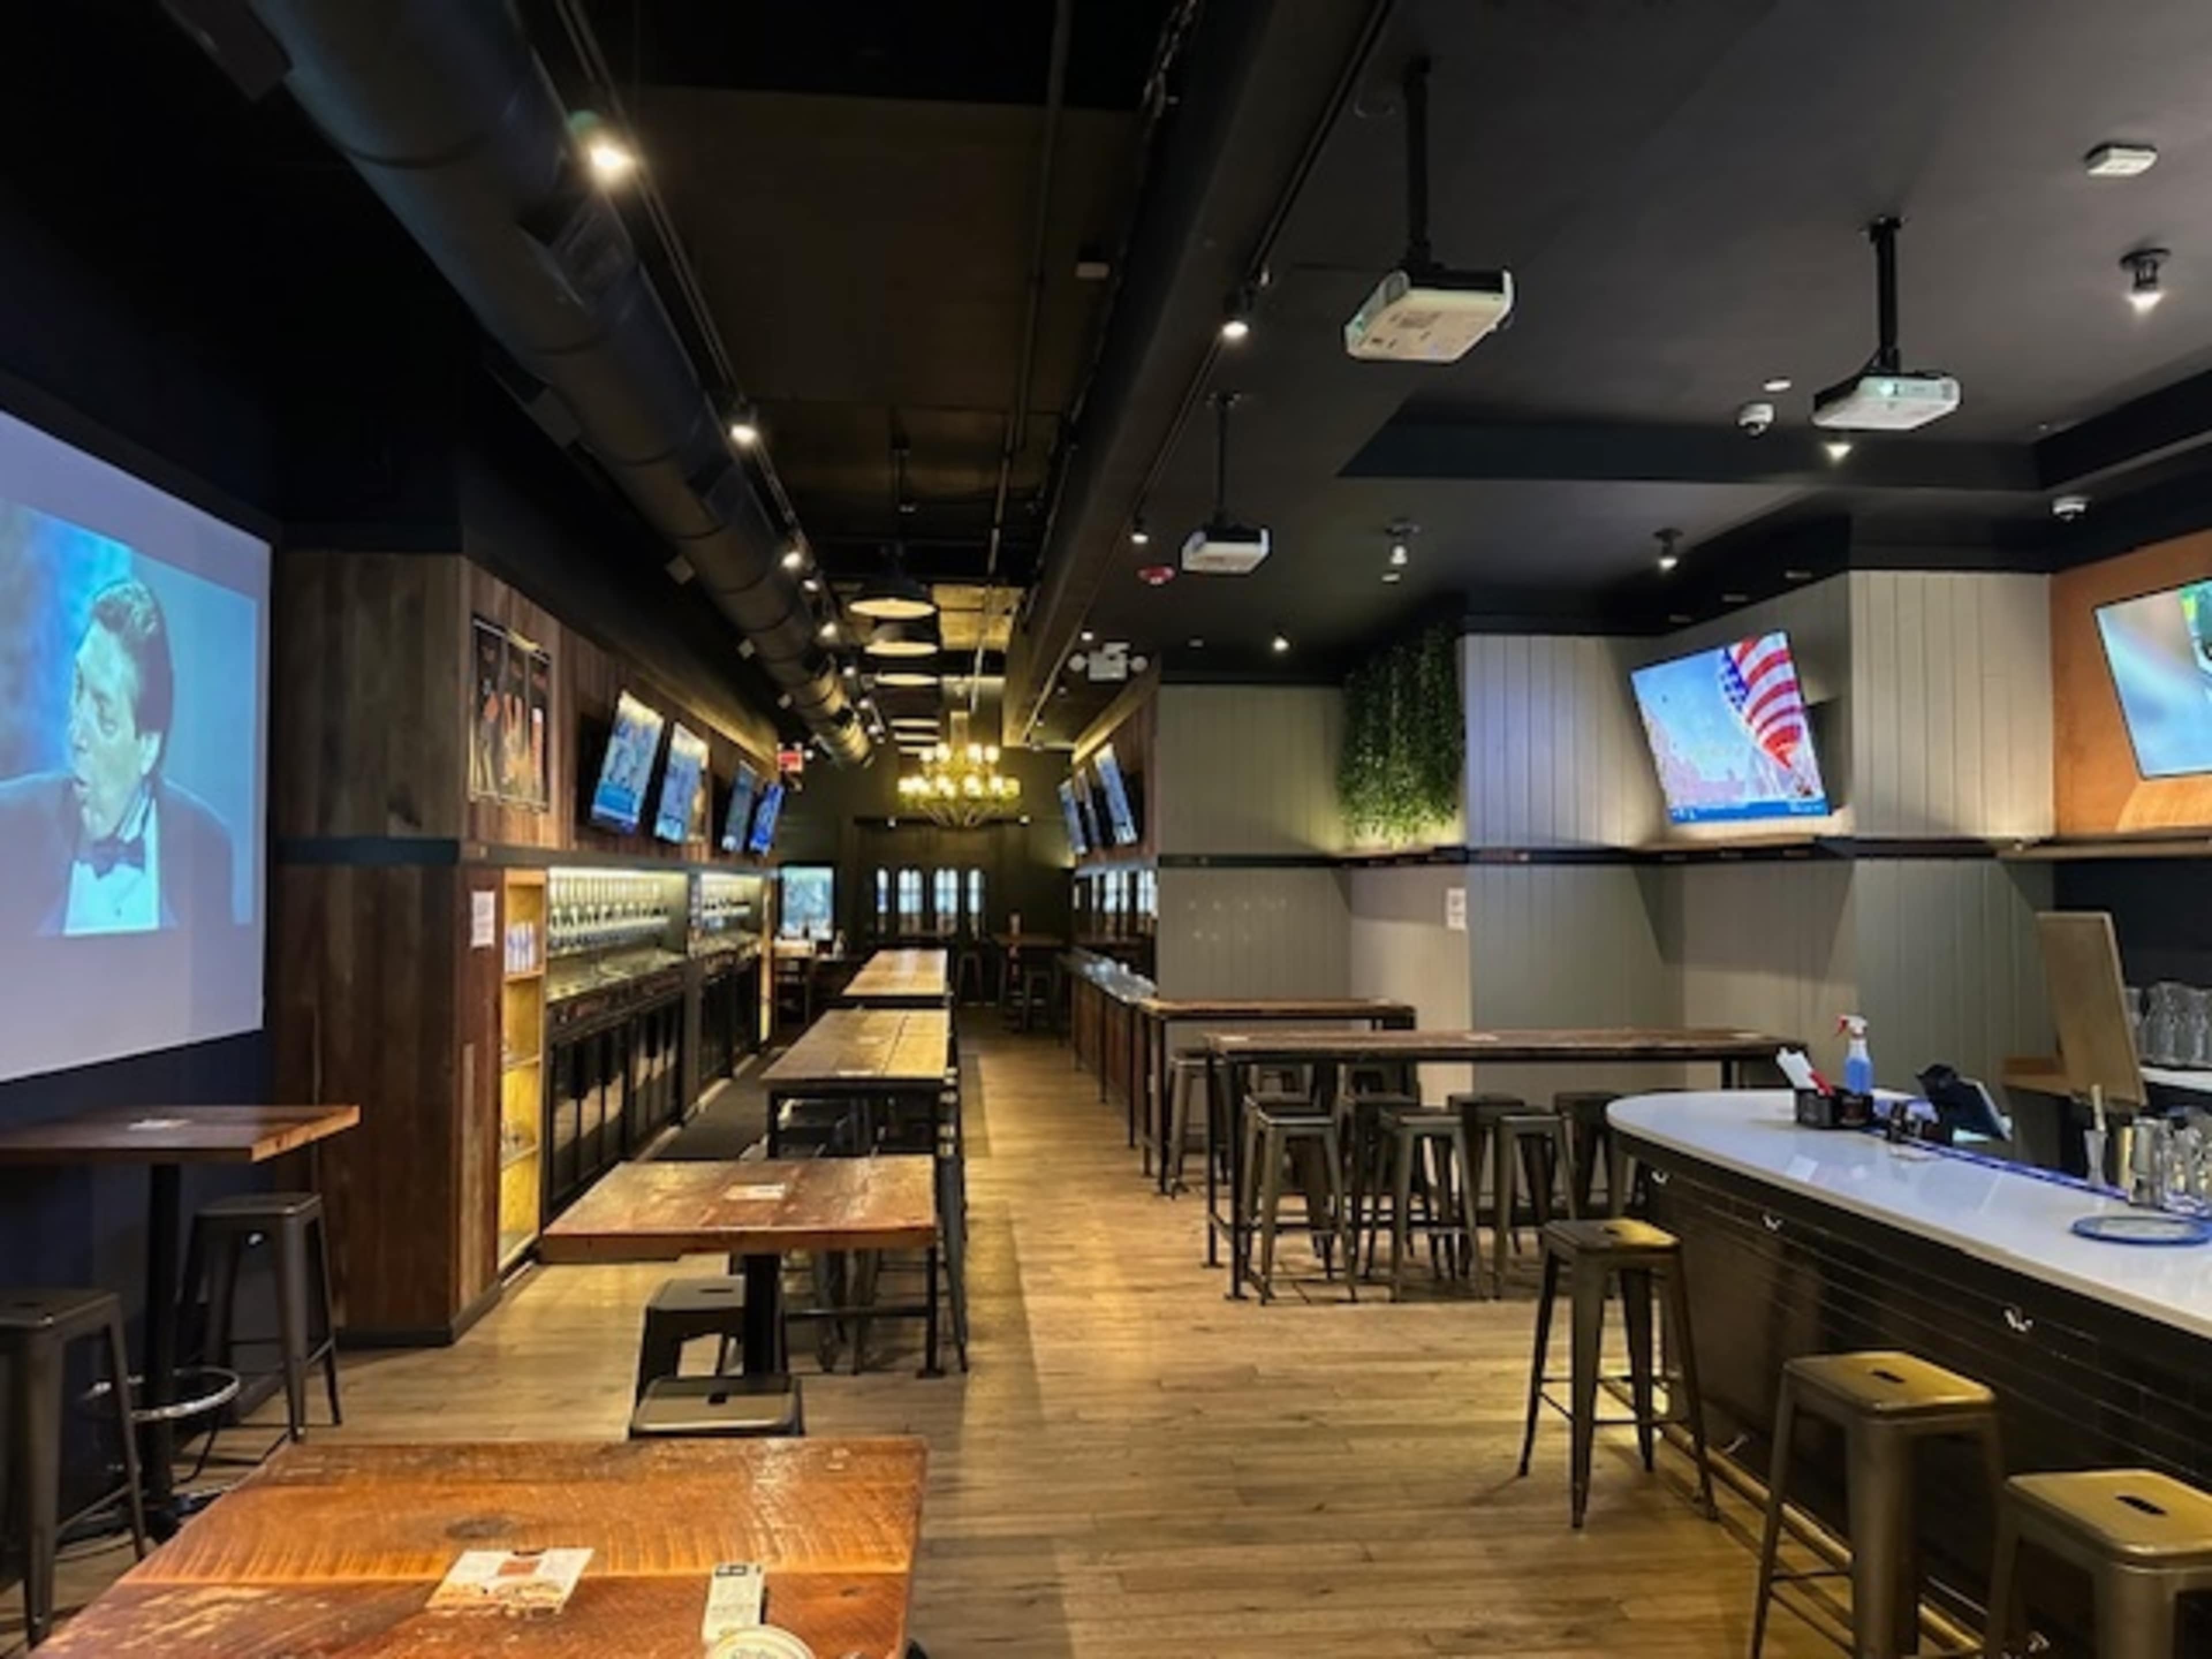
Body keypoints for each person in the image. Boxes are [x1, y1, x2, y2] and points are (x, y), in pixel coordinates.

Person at [0, 577, 234, 935]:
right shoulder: (11, 826)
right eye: (78, 688)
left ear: (148, 748)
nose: (76, 734)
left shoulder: (207, 848)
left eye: (105, 717)